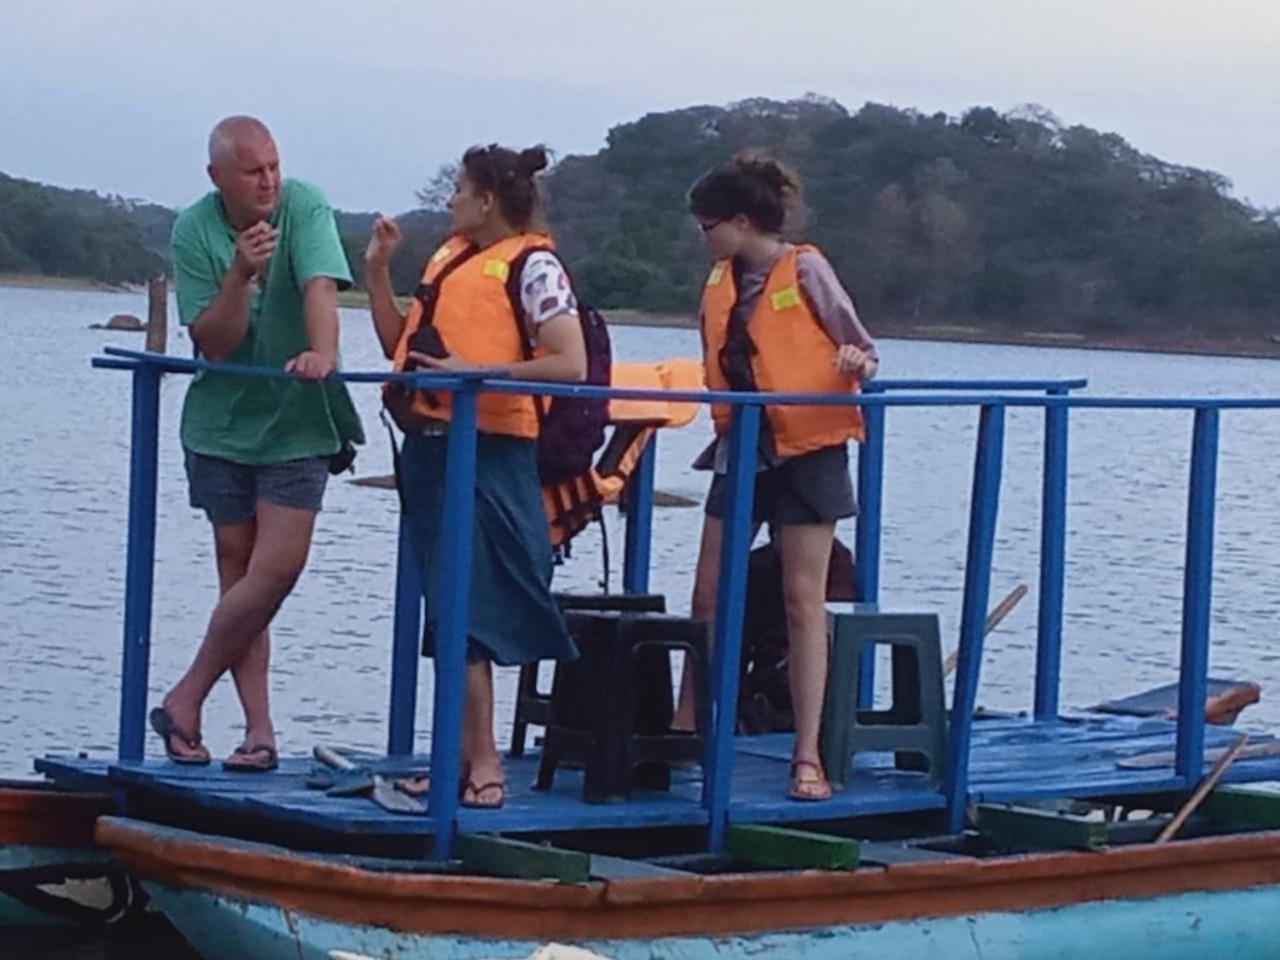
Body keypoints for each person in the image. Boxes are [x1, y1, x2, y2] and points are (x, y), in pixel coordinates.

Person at [364, 144, 584, 809]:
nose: (450, 201)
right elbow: (398, 346)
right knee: (449, 610)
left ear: (487, 201)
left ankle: (484, 765)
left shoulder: (534, 267)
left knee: (472, 609)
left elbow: (569, 363)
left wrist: (479, 375)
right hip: (432, 450)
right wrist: (377, 272)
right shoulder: (452, 259)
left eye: (459, 190)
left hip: (490, 453)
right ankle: (458, 761)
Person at [150, 116, 364, 771]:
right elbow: (215, 342)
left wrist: (323, 352)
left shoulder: (305, 204)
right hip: (221, 424)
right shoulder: (194, 227)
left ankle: (186, 697)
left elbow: (320, 285)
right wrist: (240, 274)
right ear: (218, 177)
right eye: (252, 172)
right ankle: (259, 733)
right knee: (238, 577)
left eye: (274, 166)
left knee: (274, 572)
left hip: (298, 422)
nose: (269, 181)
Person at [673, 153, 878, 801]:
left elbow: (864, 350)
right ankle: (683, 728)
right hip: (742, 445)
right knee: (707, 595)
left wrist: (855, 360)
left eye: (708, 226)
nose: (704, 238)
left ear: (741, 222)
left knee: (801, 599)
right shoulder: (719, 281)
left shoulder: (806, 269)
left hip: (809, 449)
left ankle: (807, 754)